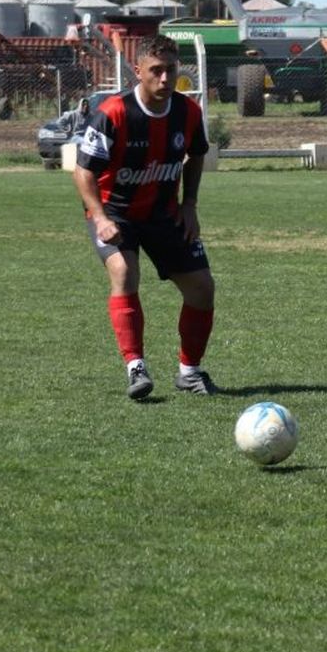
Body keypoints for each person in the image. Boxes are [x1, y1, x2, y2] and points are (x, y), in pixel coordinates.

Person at [74, 33, 217, 400]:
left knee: (202, 287)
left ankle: (190, 372)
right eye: (156, 71)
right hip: (116, 213)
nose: (166, 79)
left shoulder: (188, 112)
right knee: (123, 271)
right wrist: (101, 217)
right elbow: (84, 172)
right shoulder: (113, 113)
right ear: (138, 71)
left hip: (164, 213)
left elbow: (197, 154)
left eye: (171, 70)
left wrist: (190, 204)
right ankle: (135, 366)